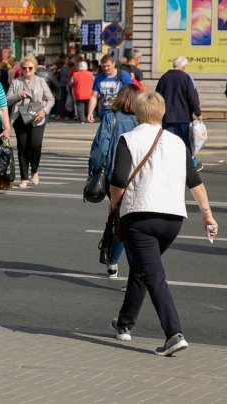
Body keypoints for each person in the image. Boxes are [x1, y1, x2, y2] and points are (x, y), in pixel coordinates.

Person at [109, 91, 218, 356]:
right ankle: (124, 324)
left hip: (140, 216)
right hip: (173, 219)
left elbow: (118, 180)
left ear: (137, 112)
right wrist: (207, 214)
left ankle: (173, 333)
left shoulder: (129, 139)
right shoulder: (178, 142)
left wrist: (114, 207)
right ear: (162, 112)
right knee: (143, 268)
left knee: (153, 276)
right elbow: (195, 182)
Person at [88, 85, 140, 278]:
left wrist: (93, 170)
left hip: (114, 175)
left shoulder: (111, 117)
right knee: (131, 221)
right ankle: (126, 266)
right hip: (137, 176)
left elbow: (101, 147)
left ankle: (113, 261)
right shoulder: (142, 121)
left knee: (119, 217)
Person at [6, 56, 55, 188]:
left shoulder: (40, 81)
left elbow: (50, 99)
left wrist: (44, 111)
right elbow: (6, 100)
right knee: (22, 147)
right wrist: (18, 95)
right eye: (24, 68)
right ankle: (24, 177)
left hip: (37, 118)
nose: (27, 70)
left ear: (35, 69)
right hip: (20, 118)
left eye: (30, 68)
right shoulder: (16, 82)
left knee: (35, 145)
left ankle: (34, 170)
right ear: (20, 69)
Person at [155, 56, 203, 169]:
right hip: (183, 117)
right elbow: (192, 97)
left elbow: (157, 96)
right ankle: (188, 167)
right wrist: (198, 112)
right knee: (184, 143)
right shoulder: (186, 78)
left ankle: (168, 165)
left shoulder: (164, 77)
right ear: (184, 66)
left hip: (167, 117)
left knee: (167, 142)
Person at [87, 54, 133, 122]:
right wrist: (90, 113)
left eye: (108, 66)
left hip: (121, 112)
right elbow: (94, 96)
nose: (106, 68)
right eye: (103, 66)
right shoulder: (98, 78)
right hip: (105, 113)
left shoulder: (124, 75)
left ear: (113, 64)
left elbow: (131, 93)